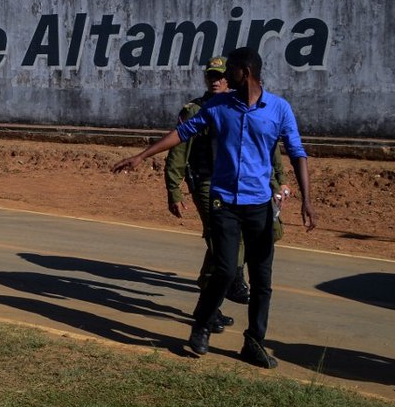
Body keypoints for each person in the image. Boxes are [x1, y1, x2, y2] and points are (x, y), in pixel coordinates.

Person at [113, 47, 315, 369]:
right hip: (224, 203)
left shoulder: (279, 109)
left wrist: (306, 199)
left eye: (229, 70)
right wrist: (141, 156)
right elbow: (182, 133)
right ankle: (202, 323)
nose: (222, 77)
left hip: (259, 206)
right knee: (224, 270)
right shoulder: (218, 107)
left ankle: (254, 342)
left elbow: (296, 152)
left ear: (244, 72)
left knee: (262, 280)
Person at [163, 57, 243, 334]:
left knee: (229, 243)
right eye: (211, 76)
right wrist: (174, 190)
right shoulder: (195, 109)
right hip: (206, 184)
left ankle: (212, 302)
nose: (216, 80)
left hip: (235, 185)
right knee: (220, 242)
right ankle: (207, 307)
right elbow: (178, 151)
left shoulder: (239, 107)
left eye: (221, 76)